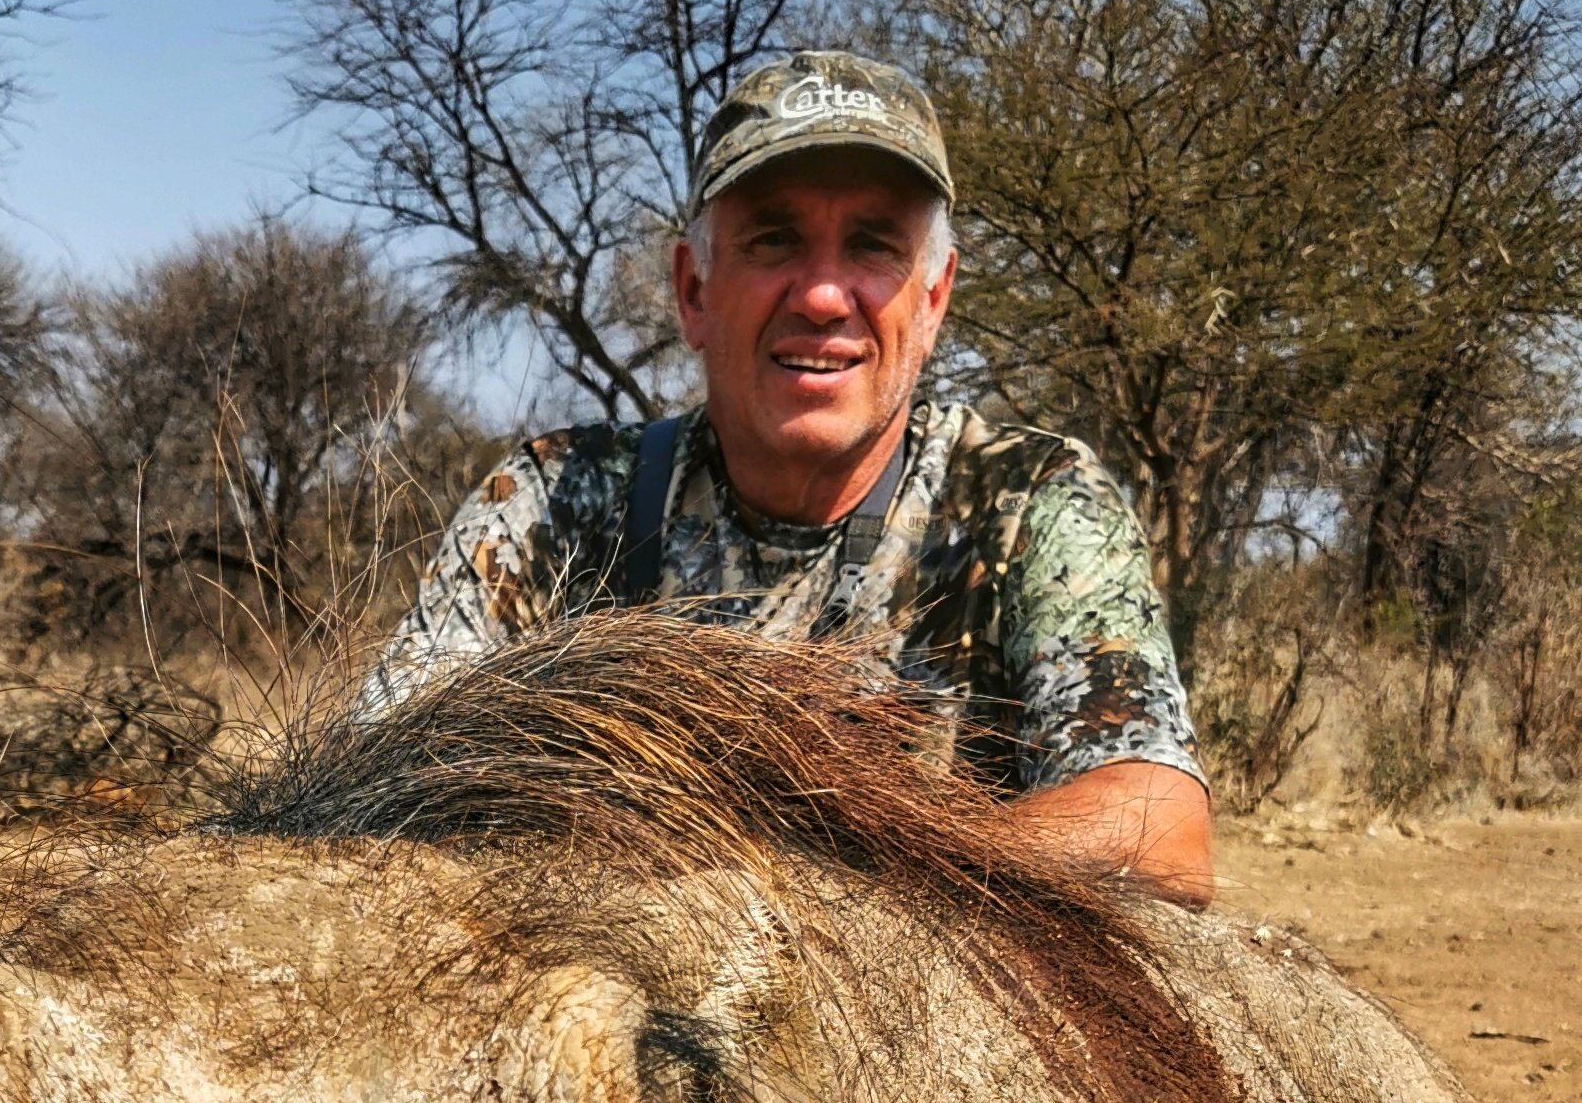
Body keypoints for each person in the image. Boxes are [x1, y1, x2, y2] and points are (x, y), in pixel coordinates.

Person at [361, 51, 1215, 908]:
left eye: (875, 245)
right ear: (693, 291)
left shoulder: (1032, 498)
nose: (820, 295)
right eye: (774, 239)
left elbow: (1159, 829)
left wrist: (817, 884)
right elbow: (375, 785)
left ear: (932, 300)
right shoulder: (555, 498)